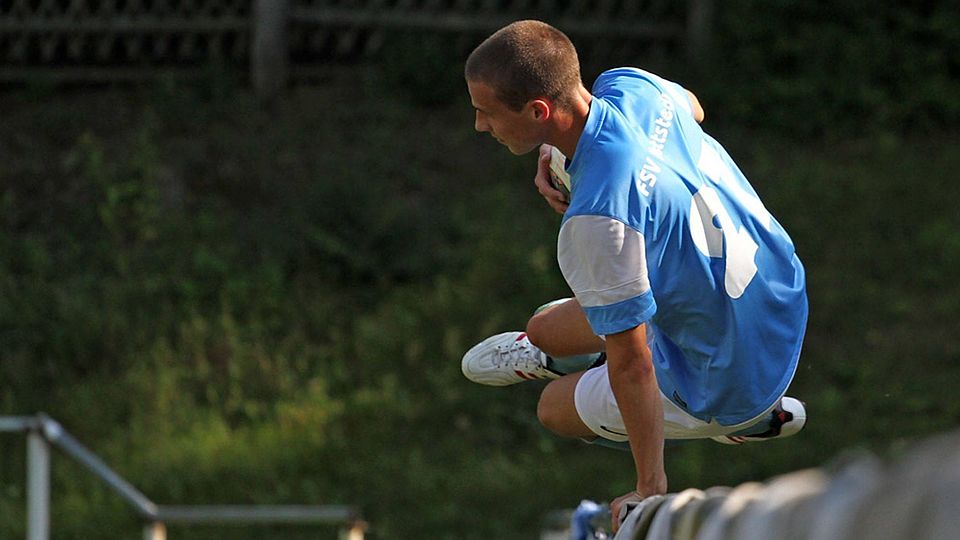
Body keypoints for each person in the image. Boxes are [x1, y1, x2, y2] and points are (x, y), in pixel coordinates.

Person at [460, 20, 809, 531]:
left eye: (485, 112)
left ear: (538, 111)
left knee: (554, 408)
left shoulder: (599, 221)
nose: (479, 126)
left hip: (727, 376)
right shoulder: (631, 86)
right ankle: (547, 351)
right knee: (542, 329)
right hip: (778, 292)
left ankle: (748, 421)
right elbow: (693, 107)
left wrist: (650, 487)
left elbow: (634, 366)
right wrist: (555, 154)